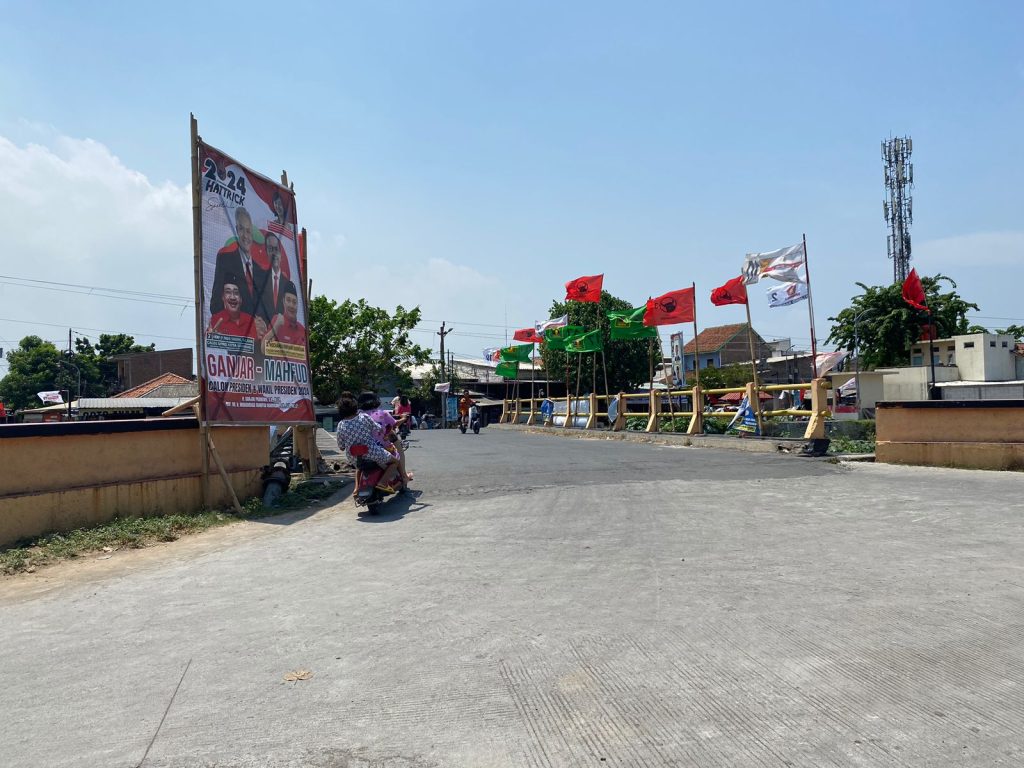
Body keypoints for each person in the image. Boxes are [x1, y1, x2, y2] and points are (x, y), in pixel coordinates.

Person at [210, 206, 268, 337]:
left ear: (252, 235)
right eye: (241, 229)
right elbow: (215, 304)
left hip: (258, 342)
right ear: (236, 230)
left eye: (248, 231)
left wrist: (261, 323)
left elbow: (267, 309)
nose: (245, 235)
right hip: (233, 338)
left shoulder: (261, 272)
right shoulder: (225, 260)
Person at [335, 392, 401, 490]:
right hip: (371, 452)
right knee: (395, 461)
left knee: (359, 467)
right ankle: (383, 483)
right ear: (355, 407)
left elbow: (341, 447)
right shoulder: (363, 417)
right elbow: (379, 429)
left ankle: (356, 489)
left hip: (353, 457)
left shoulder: (340, 424)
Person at [357, 391, 412, 490]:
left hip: (362, 449)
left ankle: (356, 488)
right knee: (397, 454)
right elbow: (394, 424)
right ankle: (403, 476)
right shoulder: (382, 413)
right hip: (380, 448)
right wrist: (404, 418)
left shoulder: (358, 415)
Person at [206, 275, 260, 339]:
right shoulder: (215, 319)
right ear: (223, 297)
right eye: (228, 292)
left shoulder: (250, 320)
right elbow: (205, 343)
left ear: (241, 298)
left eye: (236, 293)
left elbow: (255, 345)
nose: (232, 297)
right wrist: (210, 339)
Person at [260, 233, 297, 320]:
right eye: (270, 249)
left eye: (276, 249)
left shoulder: (288, 285)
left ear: (281, 253)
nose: (274, 253)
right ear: (266, 252)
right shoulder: (260, 280)